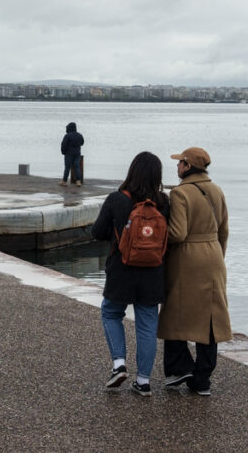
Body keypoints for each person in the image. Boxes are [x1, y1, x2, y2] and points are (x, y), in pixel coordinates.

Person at [91, 152, 169, 395]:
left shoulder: (117, 199)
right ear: (157, 175)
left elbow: (97, 231)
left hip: (121, 269)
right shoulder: (164, 202)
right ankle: (143, 381)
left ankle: (119, 365)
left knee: (111, 313)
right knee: (147, 324)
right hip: (153, 272)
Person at [158, 147, 231, 397]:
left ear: (188, 166)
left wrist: (156, 234)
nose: (176, 167)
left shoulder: (180, 193)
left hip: (188, 258)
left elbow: (178, 233)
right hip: (214, 255)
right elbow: (224, 231)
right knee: (210, 319)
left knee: (176, 313)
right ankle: (202, 379)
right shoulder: (217, 190)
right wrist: (217, 254)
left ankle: (180, 368)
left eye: (180, 163)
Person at [59, 122, 84, 187]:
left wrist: (63, 152)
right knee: (77, 167)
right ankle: (78, 181)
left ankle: (64, 181)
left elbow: (64, 145)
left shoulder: (67, 136)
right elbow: (82, 143)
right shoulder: (79, 135)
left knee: (67, 167)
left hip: (68, 154)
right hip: (77, 153)